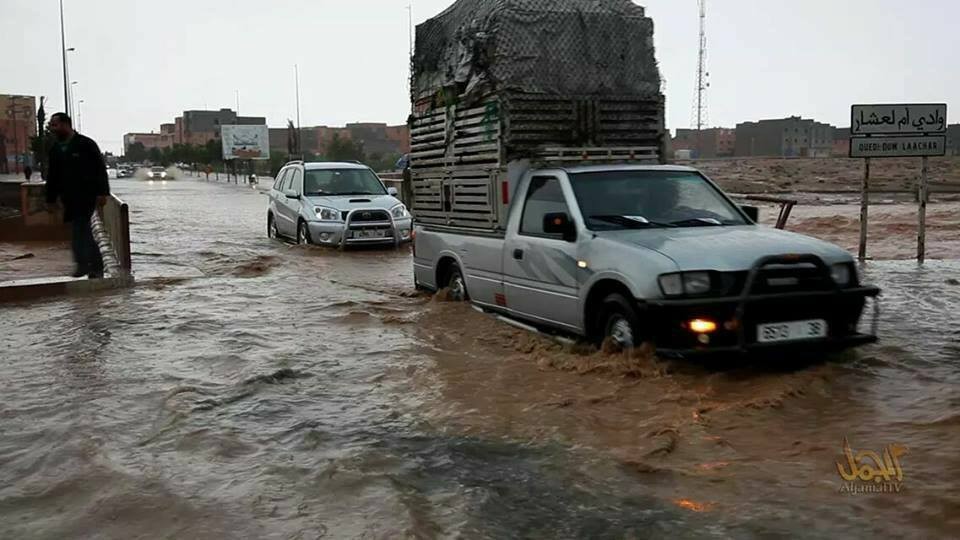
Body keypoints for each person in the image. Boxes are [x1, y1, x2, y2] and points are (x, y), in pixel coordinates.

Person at [45, 112, 110, 279]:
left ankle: (90, 266)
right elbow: (52, 177)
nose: (52, 128)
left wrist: (103, 193)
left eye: (55, 125)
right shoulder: (56, 149)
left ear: (66, 124)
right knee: (78, 229)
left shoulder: (86, 144)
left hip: (86, 195)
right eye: (51, 125)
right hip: (68, 198)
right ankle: (89, 265)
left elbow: (100, 170)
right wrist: (50, 199)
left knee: (81, 229)